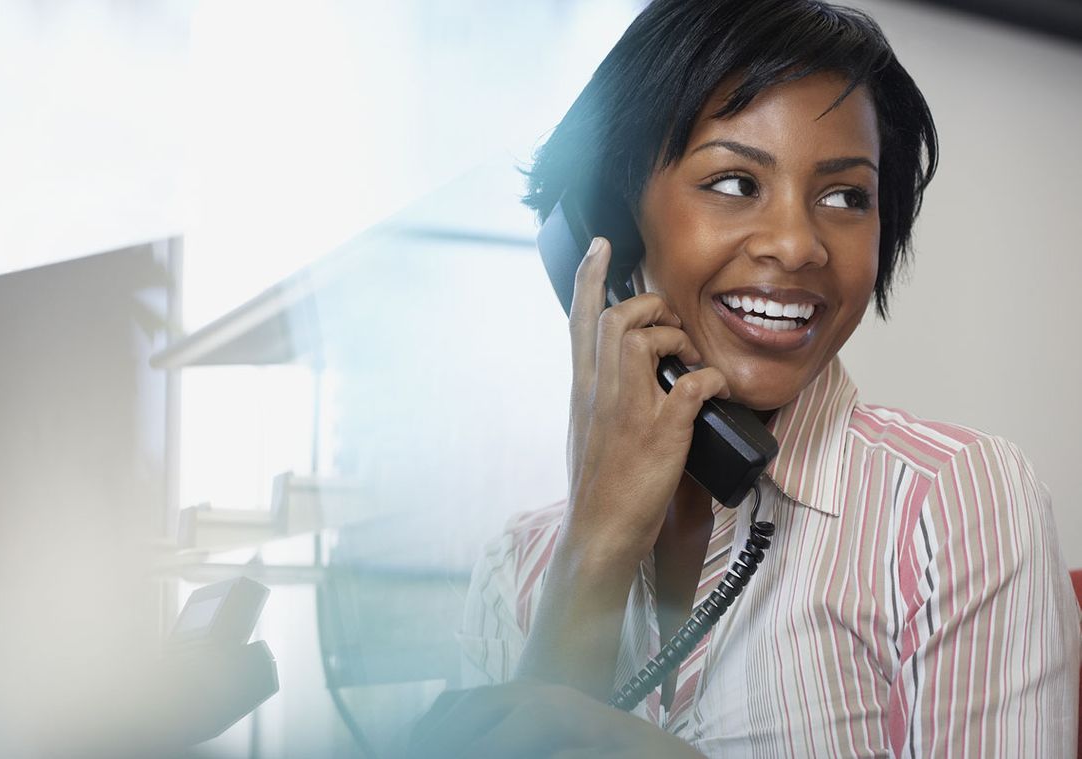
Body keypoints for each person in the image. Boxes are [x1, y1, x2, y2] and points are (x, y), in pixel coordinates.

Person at [408, 0, 1081, 756]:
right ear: (612, 227)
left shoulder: (954, 501)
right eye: (733, 183)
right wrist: (592, 552)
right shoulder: (518, 569)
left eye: (844, 196)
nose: (797, 245)